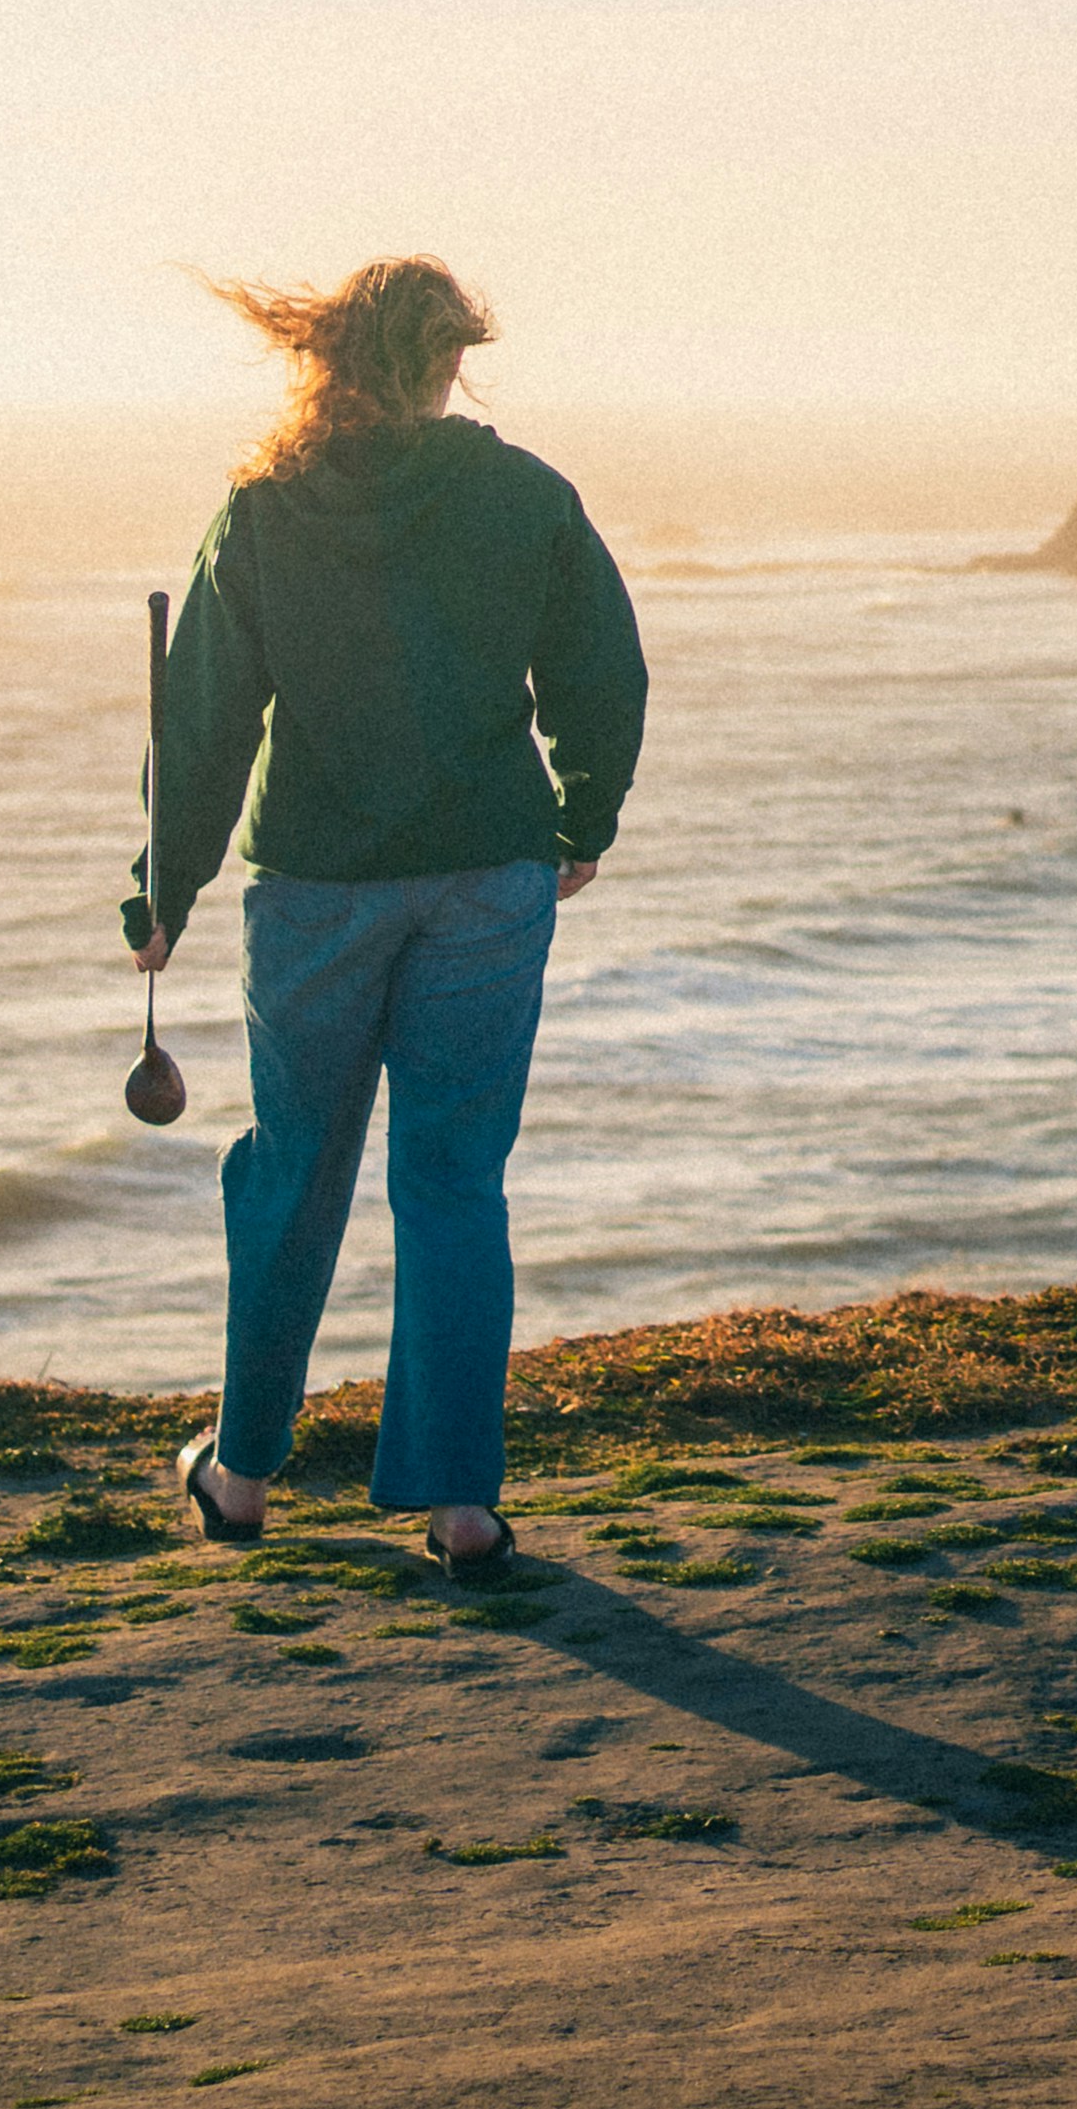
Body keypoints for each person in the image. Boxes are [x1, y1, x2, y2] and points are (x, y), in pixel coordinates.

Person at [124, 256, 647, 1578]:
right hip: (487, 875)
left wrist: (161, 886)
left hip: (310, 887)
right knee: (454, 1181)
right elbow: (603, 670)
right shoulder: (524, 496)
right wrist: (581, 821)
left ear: (328, 356)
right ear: (448, 359)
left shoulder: (262, 511)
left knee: (293, 1169)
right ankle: (460, 1505)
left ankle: (241, 1474)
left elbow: (200, 723)